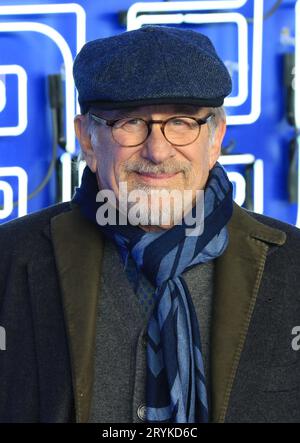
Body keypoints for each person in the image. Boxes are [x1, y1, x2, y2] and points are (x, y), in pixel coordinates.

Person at [0, 26, 300, 424]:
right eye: (130, 123)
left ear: (215, 140)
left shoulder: (293, 265)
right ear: (87, 141)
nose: (157, 151)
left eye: (181, 122)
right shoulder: (9, 258)